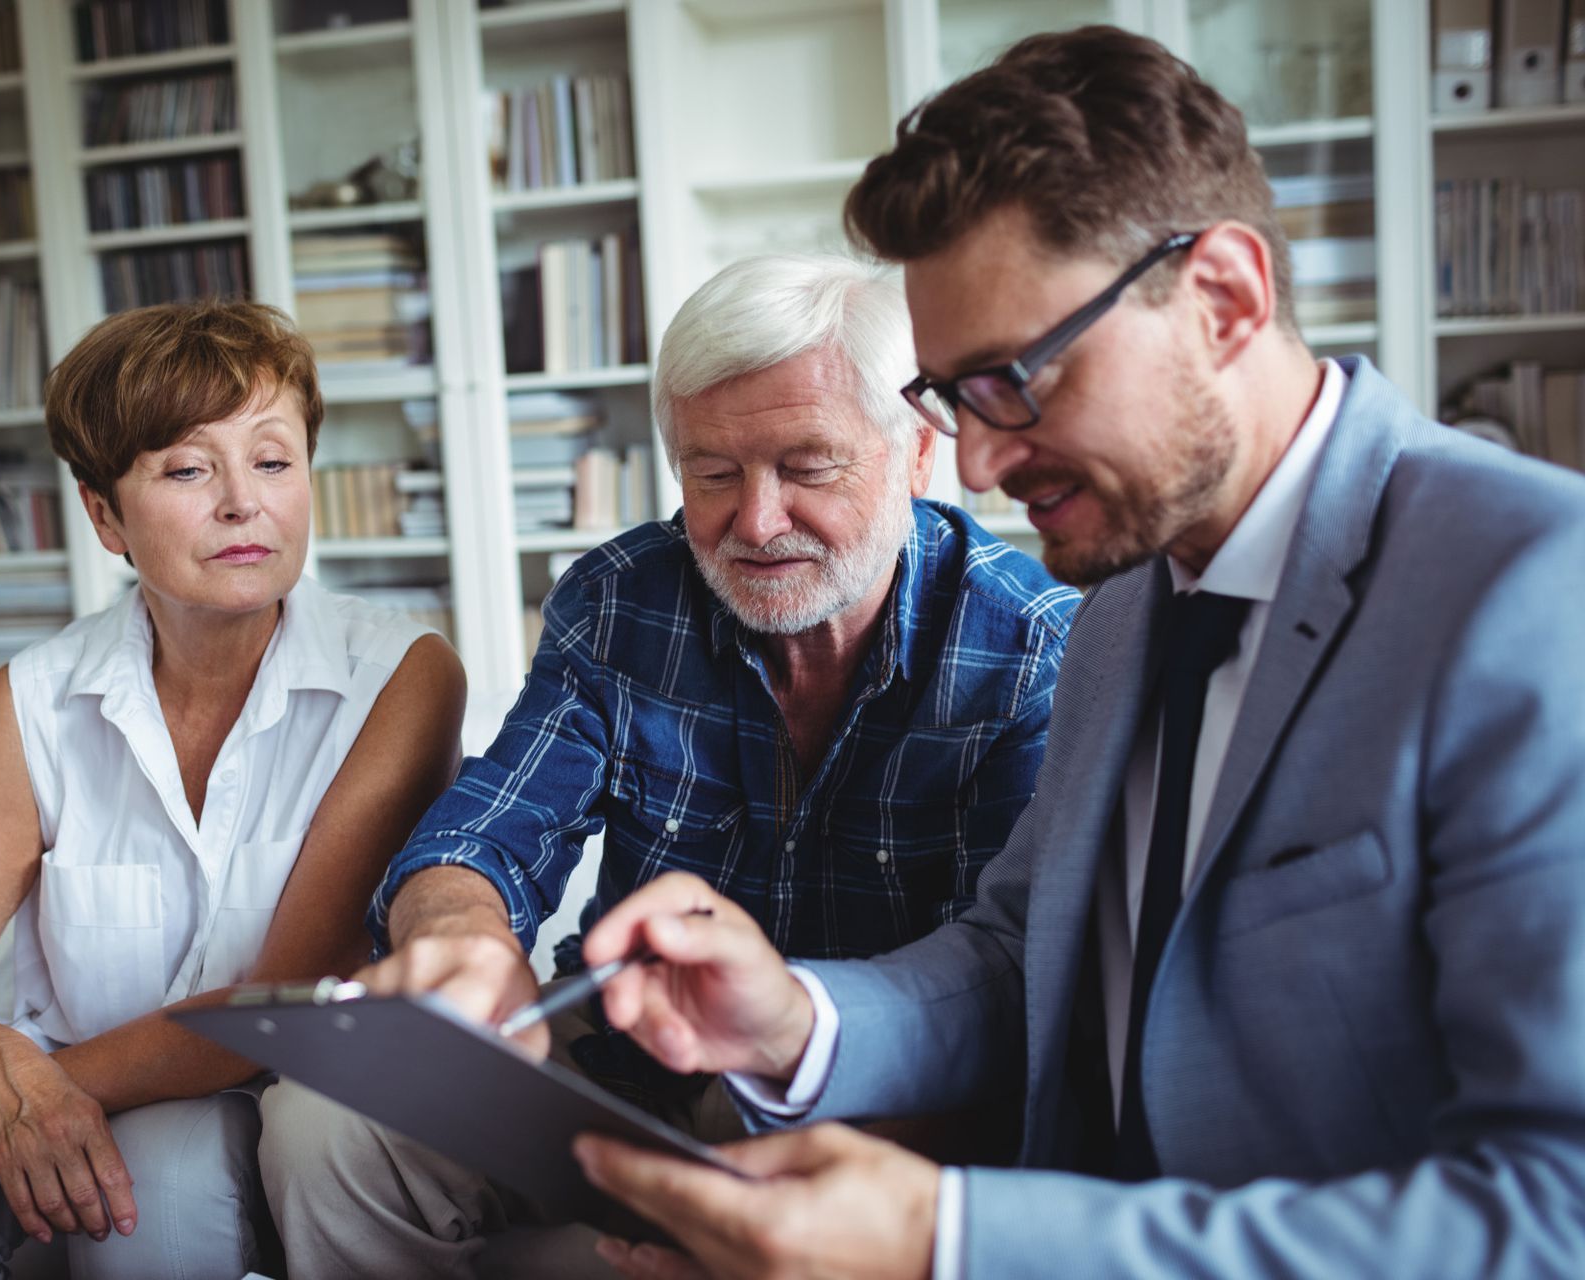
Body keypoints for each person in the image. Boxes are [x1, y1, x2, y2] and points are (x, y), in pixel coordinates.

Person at [568, 26, 1585, 1280]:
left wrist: (954, 1240)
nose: (983, 465)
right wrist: (794, 1017)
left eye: (1015, 379)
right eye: (952, 398)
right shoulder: (1122, 602)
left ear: (1223, 297)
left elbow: (1555, 1218)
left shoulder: (1534, 587)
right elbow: (1018, 954)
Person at [255, 254, 1080, 1275]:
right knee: (322, 1121)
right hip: (620, 1062)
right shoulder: (622, 597)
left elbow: (1008, 1000)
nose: (756, 521)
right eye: (713, 472)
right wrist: (464, 931)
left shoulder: (1033, 650)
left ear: (916, 452)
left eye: (808, 465)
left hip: (861, 1111)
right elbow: (486, 830)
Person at [0, 300, 468, 1279]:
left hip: (282, 1097)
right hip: (56, 1077)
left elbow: (282, 1000)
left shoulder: (402, 673)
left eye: (273, 460)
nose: (244, 502)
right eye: (190, 469)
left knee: (147, 1194)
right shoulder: (33, 697)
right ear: (103, 513)